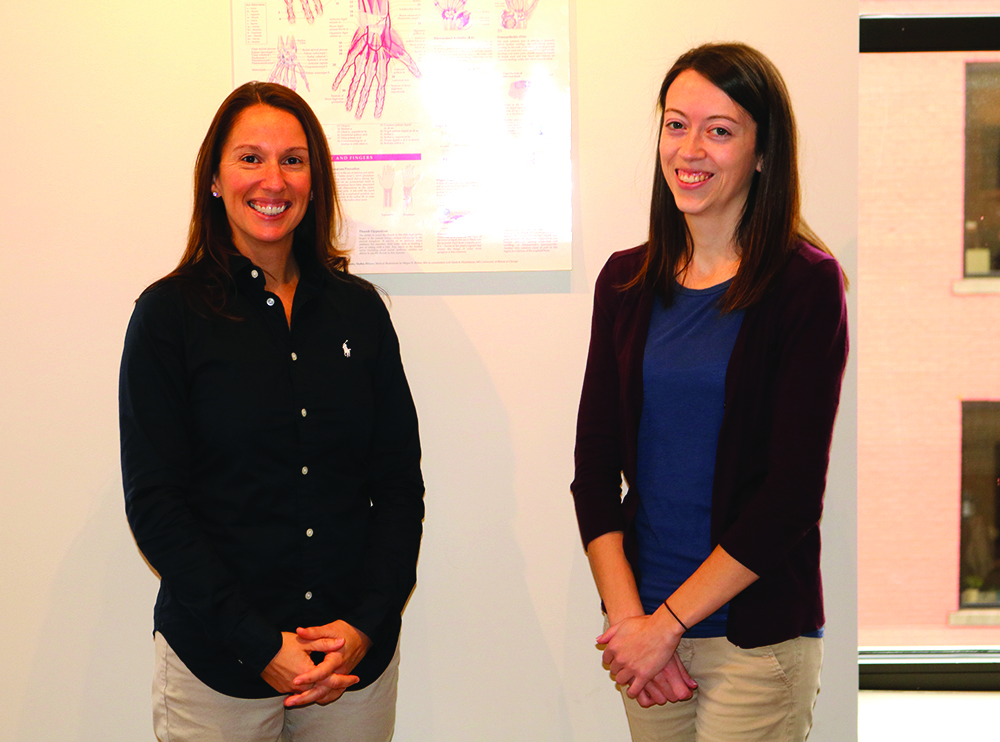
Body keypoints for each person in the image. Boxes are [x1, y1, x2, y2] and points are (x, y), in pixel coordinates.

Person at [119, 81, 424, 742]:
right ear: (214, 179)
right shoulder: (168, 318)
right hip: (216, 668)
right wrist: (258, 643)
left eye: (293, 160)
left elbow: (399, 486)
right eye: (250, 158)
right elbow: (156, 504)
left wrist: (365, 625)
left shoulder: (360, 312)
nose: (273, 180)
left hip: (349, 668)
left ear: (315, 181)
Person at [571, 43, 848, 742]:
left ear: (763, 153)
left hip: (753, 642)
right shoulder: (624, 283)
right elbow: (595, 471)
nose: (690, 149)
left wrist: (667, 624)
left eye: (719, 130)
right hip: (642, 633)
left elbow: (791, 496)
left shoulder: (806, 285)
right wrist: (632, 623)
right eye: (676, 124)